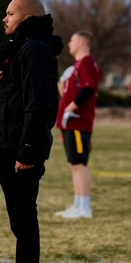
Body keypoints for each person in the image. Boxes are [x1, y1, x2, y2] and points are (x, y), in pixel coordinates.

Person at [0, 0, 62, 263]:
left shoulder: (35, 50)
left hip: (21, 152)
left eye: (10, 13)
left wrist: (28, 150)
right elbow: (14, 102)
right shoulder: (21, 49)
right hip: (8, 149)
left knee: (25, 223)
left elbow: (39, 105)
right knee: (19, 223)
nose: (4, 18)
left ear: (27, 16)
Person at [54, 30, 101, 219]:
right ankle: (77, 204)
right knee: (74, 164)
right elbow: (71, 92)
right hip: (69, 123)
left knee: (79, 164)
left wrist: (69, 109)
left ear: (81, 42)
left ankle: (84, 206)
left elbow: (87, 90)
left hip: (77, 122)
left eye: (72, 40)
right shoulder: (78, 65)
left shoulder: (87, 62)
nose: (69, 43)